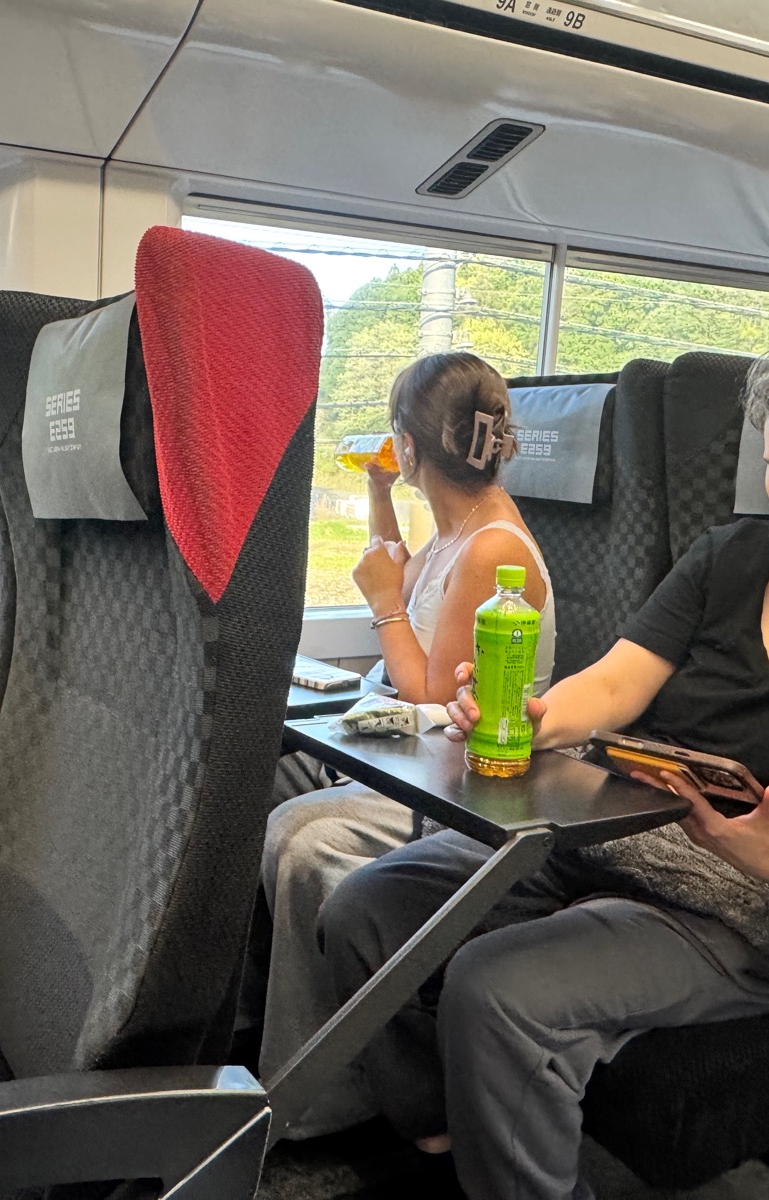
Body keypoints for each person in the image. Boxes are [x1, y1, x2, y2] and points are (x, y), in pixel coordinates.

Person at [319, 324, 769, 1200]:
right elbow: (614, 684)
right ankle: (443, 1136)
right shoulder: (728, 556)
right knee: (369, 905)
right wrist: (535, 716)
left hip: (752, 908)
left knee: (497, 987)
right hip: (614, 841)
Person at [259, 352, 556, 1138]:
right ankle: (252, 1022)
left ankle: (318, 1098)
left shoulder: (496, 550)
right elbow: (401, 573)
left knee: (299, 837)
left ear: (415, 445)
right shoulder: (458, 532)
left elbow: (428, 691)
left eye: (398, 453)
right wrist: (378, 491)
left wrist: (386, 607)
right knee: (257, 777)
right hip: (407, 762)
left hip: (455, 786)